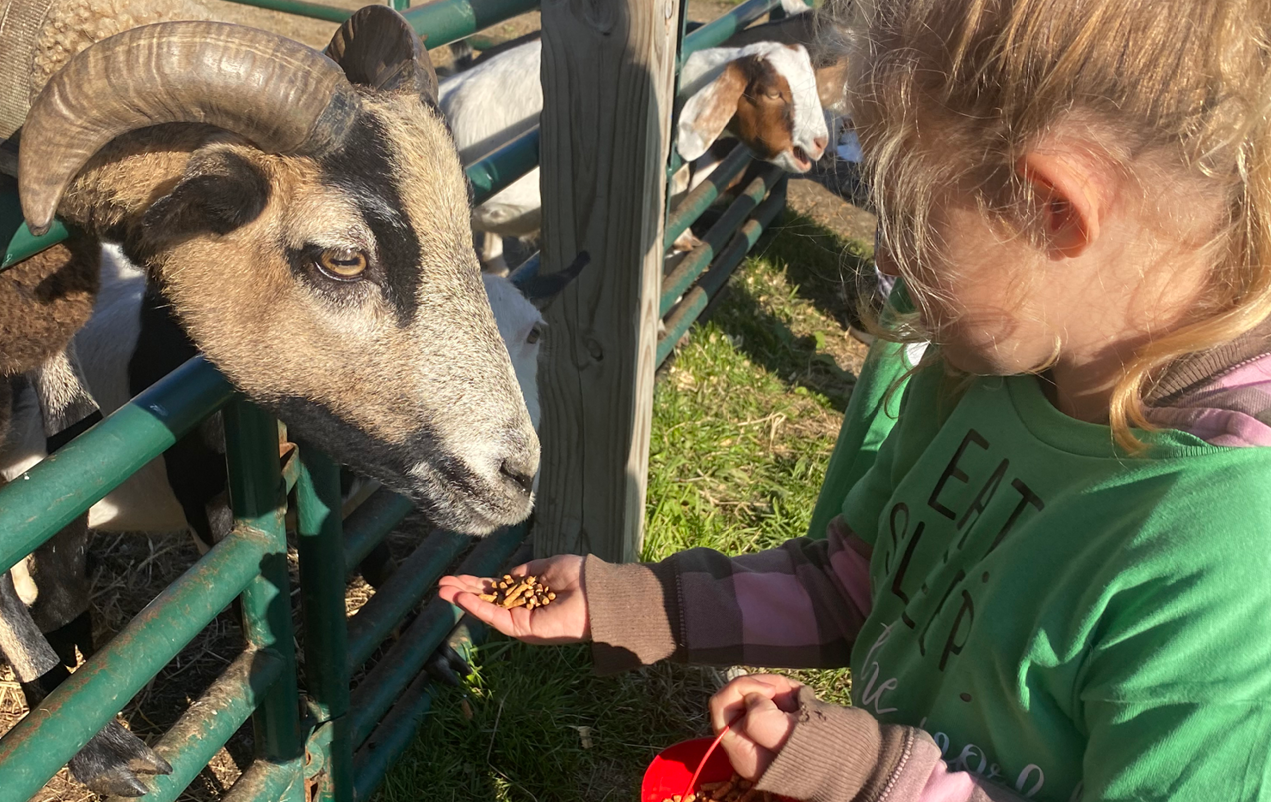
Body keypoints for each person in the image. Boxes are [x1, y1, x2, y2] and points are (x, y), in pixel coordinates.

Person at [440, 0, 1271, 798]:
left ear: (1047, 208)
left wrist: (871, 777)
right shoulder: (982, 379)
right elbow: (857, 582)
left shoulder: (1225, 558)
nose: (883, 251)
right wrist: (635, 602)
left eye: (905, 218)